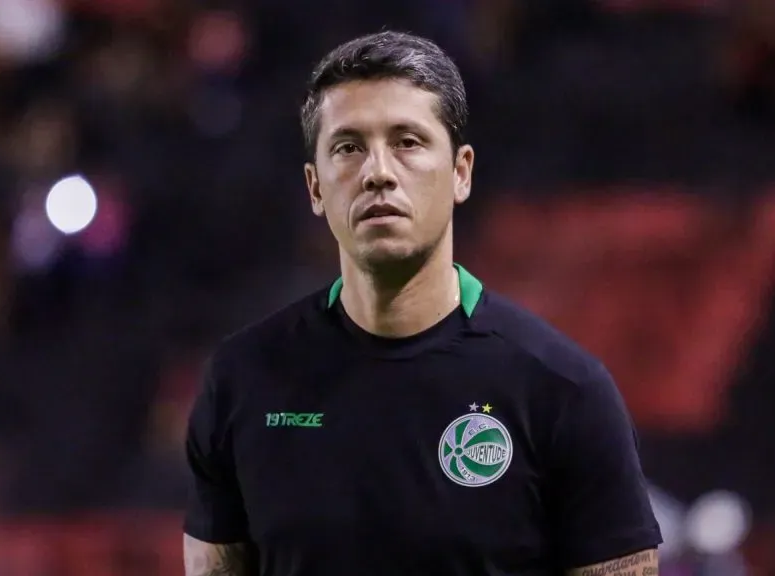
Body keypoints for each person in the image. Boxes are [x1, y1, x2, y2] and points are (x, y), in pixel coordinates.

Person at [182, 31, 662, 576]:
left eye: (407, 141)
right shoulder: (242, 378)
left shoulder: (562, 390)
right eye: (348, 147)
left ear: (461, 172)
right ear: (315, 188)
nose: (378, 171)